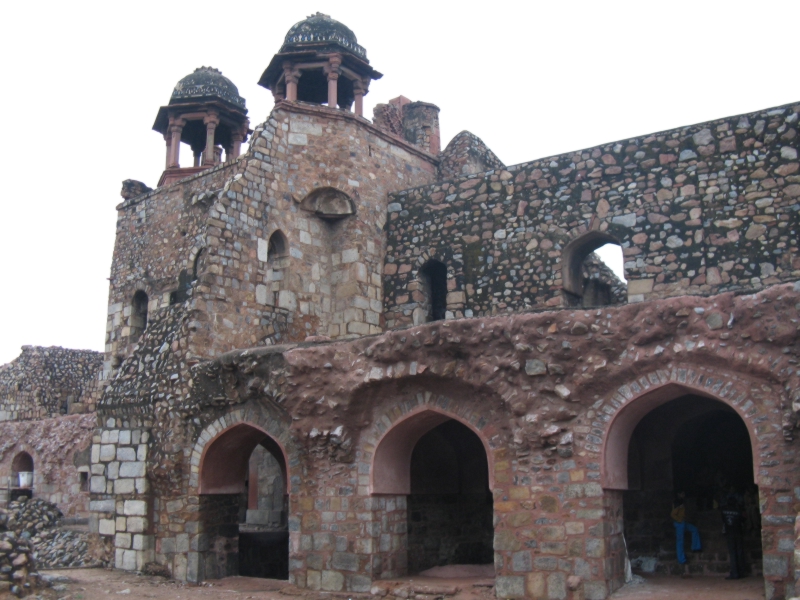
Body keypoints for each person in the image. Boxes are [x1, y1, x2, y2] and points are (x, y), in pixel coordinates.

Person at [671, 491, 701, 571]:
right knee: (680, 541)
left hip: (682, 522)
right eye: (682, 493)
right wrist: (680, 520)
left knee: (694, 529)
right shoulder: (677, 502)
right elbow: (673, 514)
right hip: (679, 523)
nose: (683, 495)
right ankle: (682, 559)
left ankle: (696, 547)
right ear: (678, 494)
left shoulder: (681, 501)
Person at [720, 487, 746, 579]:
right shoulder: (738, 511)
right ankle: (741, 572)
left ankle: (734, 573)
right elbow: (743, 520)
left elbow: (723, 520)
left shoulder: (724, 512)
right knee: (739, 552)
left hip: (729, 533)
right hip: (738, 533)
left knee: (732, 553)